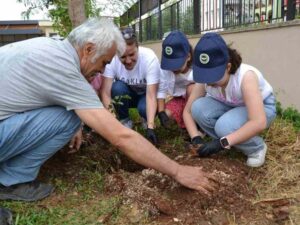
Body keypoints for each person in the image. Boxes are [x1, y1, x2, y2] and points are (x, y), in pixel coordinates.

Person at [0, 18, 216, 203]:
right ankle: (12, 181)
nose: (103, 70)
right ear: (88, 49)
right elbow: (121, 137)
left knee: (71, 117)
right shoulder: (63, 68)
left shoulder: (52, 47)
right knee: (70, 118)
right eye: (104, 62)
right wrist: (178, 171)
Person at [183, 32, 276, 167]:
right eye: (205, 75)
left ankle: (256, 148)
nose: (207, 82)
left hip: (262, 109)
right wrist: (196, 138)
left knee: (224, 127)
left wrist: (222, 143)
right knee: (197, 108)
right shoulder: (206, 79)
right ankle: (232, 139)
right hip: (231, 105)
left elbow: (258, 122)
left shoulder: (245, 78)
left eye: (212, 76)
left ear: (228, 67)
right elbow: (188, 111)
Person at [100, 27, 160, 145]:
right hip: (127, 94)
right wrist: (113, 122)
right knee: (117, 87)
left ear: (138, 48)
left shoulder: (150, 58)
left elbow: (152, 95)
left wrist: (151, 127)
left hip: (145, 95)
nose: (128, 61)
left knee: (144, 108)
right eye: (122, 56)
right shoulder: (111, 60)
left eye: (132, 54)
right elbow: (105, 93)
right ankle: (124, 120)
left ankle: (146, 119)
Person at [157, 30, 204, 144]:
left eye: (176, 64)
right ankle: (183, 127)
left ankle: (196, 128)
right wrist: (161, 112)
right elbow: (162, 90)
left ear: (188, 56)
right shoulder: (165, 69)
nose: (173, 69)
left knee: (191, 88)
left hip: (195, 100)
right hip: (179, 99)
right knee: (167, 115)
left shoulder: (197, 69)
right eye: (170, 64)